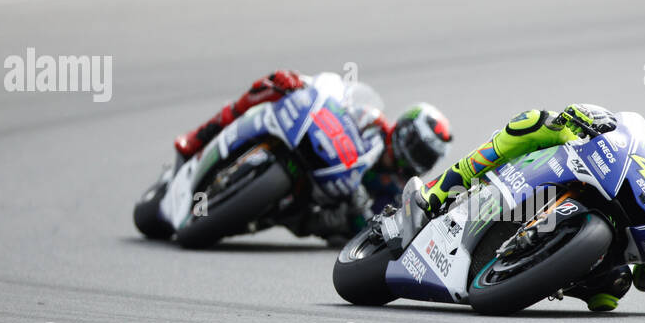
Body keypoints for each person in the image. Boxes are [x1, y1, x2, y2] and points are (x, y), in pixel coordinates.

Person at [417, 103, 645, 311]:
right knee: (538, 121)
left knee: (611, 293)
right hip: (608, 178)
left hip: (620, 238)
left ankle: (541, 270)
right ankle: (445, 184)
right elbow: (635, 131)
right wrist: (593, 119)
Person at [174, 69, 452, 244]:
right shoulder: (374, 122)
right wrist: (308, 86)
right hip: (315, 147)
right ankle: (197, 138)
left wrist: (362, 211)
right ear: (406, 131)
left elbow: (376, 225)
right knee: (273, 84)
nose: (419, 159)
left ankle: (246, 216)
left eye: (427, 157)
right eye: (419, 149)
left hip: (320, 206)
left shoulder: (396, 188)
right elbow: (341, 100)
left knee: (334, 226)